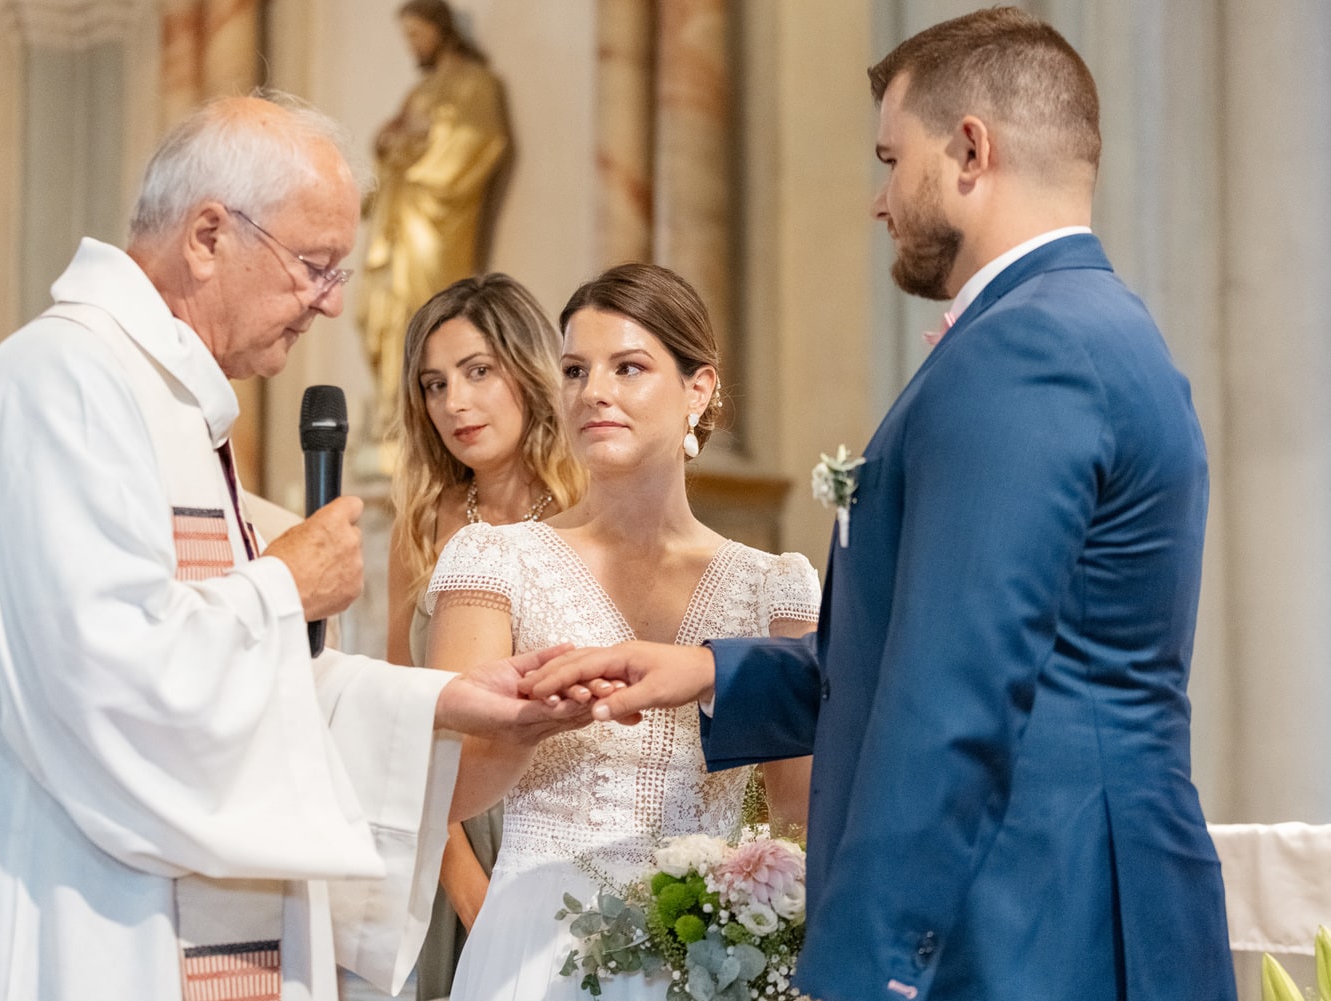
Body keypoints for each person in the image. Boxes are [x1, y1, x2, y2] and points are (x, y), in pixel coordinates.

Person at [526, 9, 1237, 1001]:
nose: (878, 197)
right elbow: (968, 645)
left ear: (971, 151)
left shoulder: (1022, 351)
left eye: (892, 157)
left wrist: (868, 965)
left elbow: (954, 687)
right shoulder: (1098, 326)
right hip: (1073, 894)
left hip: (1030, 917)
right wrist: (702, 669)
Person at [0, 92, 586, 1001]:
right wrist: (285, 584)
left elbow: (248, 678)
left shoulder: (166, 403)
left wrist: (446, 700)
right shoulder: (65, 383)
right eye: (314, 267)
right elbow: (110, 679)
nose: (329, 304)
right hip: (85, 932)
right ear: (208, 236)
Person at [428, 263, 820, 1001]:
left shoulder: (778, 584)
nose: (593, 391)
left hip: (710, 949)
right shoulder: (493, 557)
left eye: (628, 367)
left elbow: (798, 806)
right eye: (575, 370)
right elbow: (447, 792)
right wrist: (530, 723)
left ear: (697, 390)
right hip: (535, 943)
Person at [386, 273, 586, 1000]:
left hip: (566, 838)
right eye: (434, 385)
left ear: (528, 371)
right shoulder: (420, 526)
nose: (454, 403)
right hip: (453, 844)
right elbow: (399, 724)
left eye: (477, 372)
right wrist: (469, 888)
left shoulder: (591, 510)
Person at [357, 0, 511, 457]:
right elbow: (392, 148)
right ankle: (392, 414)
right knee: (377, 316)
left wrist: (412, 156)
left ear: (442, 30)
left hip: (431, 224)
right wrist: (390, 146)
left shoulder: (475, 84)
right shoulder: (419, 92)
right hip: (397, 221)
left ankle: (417, 417)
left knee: (422, 314)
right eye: (408, 38)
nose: (414, 45)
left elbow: (478, 142)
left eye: (418, 34)